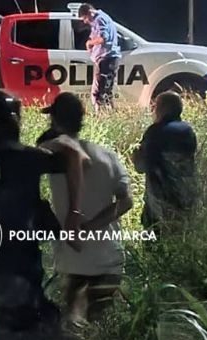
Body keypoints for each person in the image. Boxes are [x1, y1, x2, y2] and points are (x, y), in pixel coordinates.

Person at [0, 89, 88, 338]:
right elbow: (74, 157)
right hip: (20, 265)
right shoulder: (25, 158)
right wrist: (73, 215)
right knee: (35, 331)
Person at [37, 92, 133, 325]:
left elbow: (41, 146)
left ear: (56, 121)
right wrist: (89, 227)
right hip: (108, 256)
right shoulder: (107, 155)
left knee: (72, 325)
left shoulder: (53, 153)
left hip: (73, 259)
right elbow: (125, 202)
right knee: (101, 325)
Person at [133, 91, 198, 229]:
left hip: (159, 202)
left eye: (155, 106)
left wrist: (136, 154)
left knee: (155, 241)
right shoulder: (188, 131)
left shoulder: (155, 132)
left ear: (162, 109)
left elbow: (141, 166)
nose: (153, 110)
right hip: (184, 198)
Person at [77, 3, 122, 111]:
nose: (85, 21)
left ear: (90, 12)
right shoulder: (101, 18)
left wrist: (90, 43)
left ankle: (102, 116)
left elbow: (103, 38)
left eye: (85, 18)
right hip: (106, 58)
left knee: (100, 92)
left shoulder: (99, 19)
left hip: (106, 58)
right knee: (105, 91)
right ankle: (107, 115)